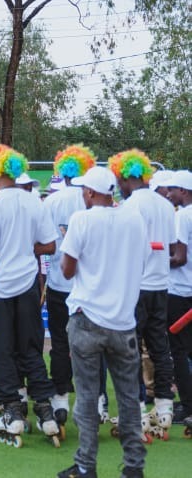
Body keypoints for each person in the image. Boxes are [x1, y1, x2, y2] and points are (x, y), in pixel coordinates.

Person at [56, 166, 149, 478]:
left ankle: (86, 465)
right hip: (124, 322)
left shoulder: (82, 220)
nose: (82, 194)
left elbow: (67, 270)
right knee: (129, 399)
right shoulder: (134, 219)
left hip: (88, 320)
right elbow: (142, 260)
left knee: (86, 397)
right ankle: (134, 467)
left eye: (85, 190)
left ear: (92, 193)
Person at [0, 144, 59, 443]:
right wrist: (24, 248)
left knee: (1, 351)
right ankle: (45, 409)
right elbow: (50, 245)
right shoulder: (35, 202)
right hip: (28, 286)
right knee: (31, 349)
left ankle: (12, 411)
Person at [108, 148, 182, 433]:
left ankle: (135, 411)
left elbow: (123, 248)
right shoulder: (165, 205)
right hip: (161, 284)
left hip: (136, 286)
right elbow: (172, 245)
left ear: (127, 177)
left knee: (130, 349)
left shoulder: (130, 207)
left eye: (118, 180)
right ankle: (164, 407)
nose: (118, 186)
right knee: (159, 346)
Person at [43, 144, 97, 427]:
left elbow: (43, 241)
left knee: (60, 343)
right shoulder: (93, 201)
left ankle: (60, 397)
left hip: (58, 283)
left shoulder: (51, 202)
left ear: (61, 172)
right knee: (92, 345)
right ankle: (96, 402)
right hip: (88, 286)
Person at [166, 170, 192, 423]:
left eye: (172, 189)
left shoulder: (182, 216)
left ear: (183, 191)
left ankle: (187, 405)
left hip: (180, 292)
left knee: (180, 351)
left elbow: (180, 258)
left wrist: (157, 262)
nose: (169, 193)